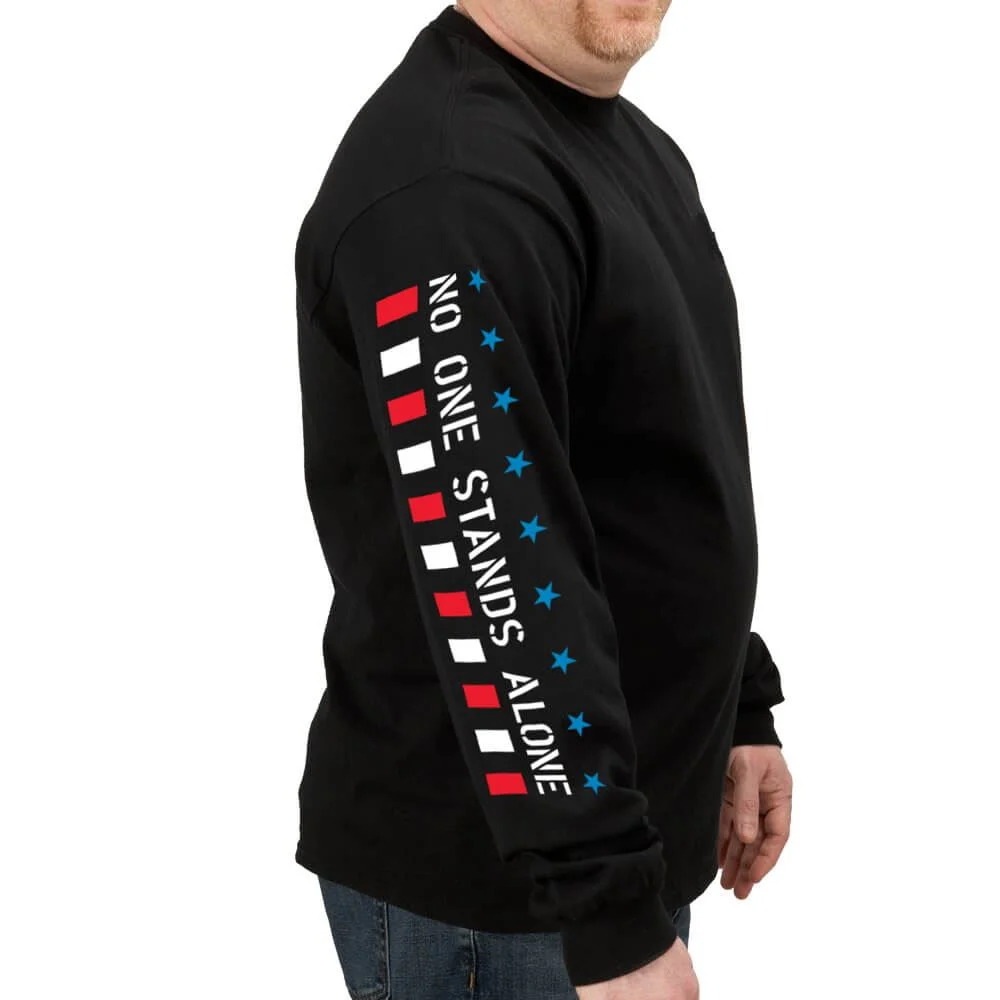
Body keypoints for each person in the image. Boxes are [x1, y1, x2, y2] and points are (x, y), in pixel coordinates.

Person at [293, 2, 793, 997]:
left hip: (600, 843)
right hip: (503, 902)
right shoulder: (451, 188)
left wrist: (738, 707)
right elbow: (496, 571)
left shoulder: (622, 144)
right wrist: (606, 914)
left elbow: (648, 473)